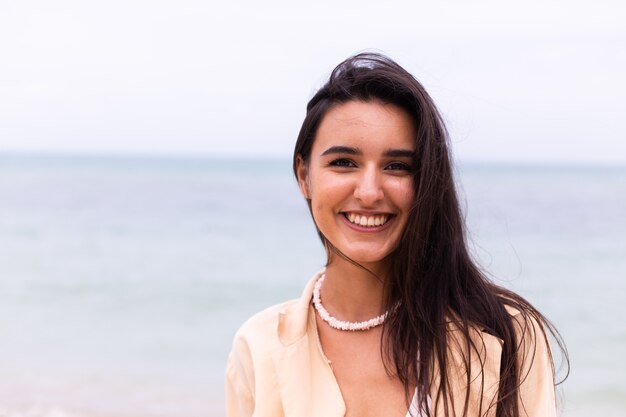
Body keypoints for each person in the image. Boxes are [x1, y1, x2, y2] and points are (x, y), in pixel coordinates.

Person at [225, 53, 567, 417]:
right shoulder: (259, 348)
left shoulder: (506, 334)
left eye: (397, 167)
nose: (370, 192)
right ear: (304, 175)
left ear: (427, 182)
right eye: (344, 162)